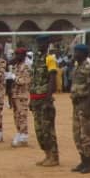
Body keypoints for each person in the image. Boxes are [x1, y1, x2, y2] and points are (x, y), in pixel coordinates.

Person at [29, 34, 60, 166]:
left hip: (44, 99)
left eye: (42, 43)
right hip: (36, 98)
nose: (39, 46)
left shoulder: (50, 59)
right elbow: (34, 81)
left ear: (47, 45)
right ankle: (47, 154)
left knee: (48, 129)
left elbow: (52, 79)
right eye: (38, 43)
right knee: (39, 130)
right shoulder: (36, 60)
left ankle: (54, 156)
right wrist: (31, 99)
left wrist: (48, 98)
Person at [68, 43, 90, 173]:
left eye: (77, 52)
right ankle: (83, 160)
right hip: (76, 104)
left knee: (86, 135)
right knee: (77, 134)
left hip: (85, 104)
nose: (75, 54)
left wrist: (87, 106)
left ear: (84, 54)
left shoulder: (88, 68)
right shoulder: (77, 67)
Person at [10, 47, 31, 147]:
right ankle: (19, 132)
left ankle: (24, 136)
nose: (16, 56)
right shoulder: (16, 66)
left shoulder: (26, 67)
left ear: (23, 56)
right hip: (15, 94)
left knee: (22, 115)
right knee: (16, 115)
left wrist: (14, 78)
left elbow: (24, 81)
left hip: (22, 95)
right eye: (16, 54)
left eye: (18, 55)